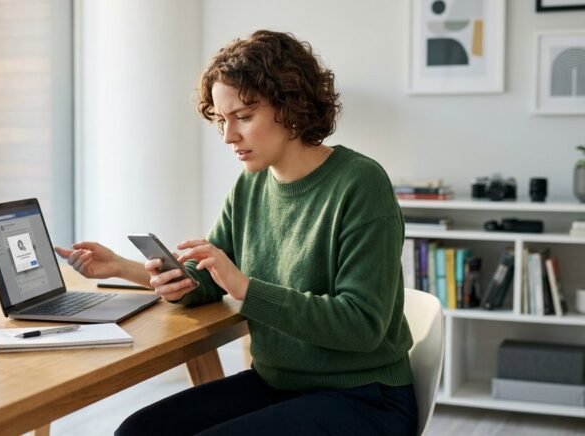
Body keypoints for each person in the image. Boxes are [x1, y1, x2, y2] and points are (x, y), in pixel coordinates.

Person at [55, 30, 417, 436]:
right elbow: (211, 278)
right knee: (137, 432)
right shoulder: (251, 186)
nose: (229, 137)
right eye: (222, 120)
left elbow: (362, 325)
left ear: (292, 106)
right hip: (278, 384)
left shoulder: (360, 184)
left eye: (243, 116)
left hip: (365, 398)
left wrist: (245, 287)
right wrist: (127, 268)